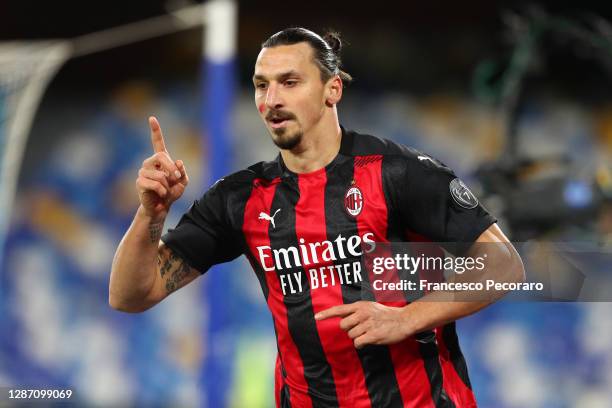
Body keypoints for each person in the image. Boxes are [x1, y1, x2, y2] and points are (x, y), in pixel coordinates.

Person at [109, 27, 525, 407]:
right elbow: (130, 295)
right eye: (261, 86)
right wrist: (152, 213)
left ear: (333, 89)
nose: (271, 100)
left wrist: (406, 318)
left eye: (290, 83)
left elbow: (505, 265)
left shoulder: (397, 172)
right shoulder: (240, 198)